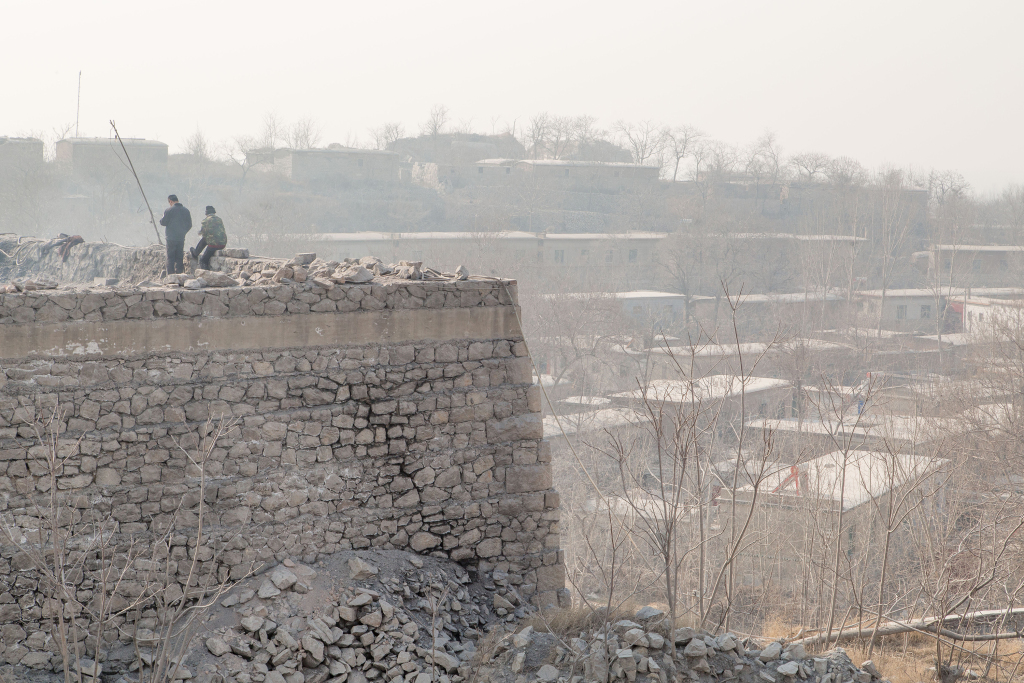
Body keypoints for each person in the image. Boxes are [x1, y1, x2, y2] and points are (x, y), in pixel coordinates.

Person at [159, 195, 192, 275]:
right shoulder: (186, 211)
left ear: (170, 201)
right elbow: (189, 225)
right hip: (181, 238)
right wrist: (183, 232)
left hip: (170, 237)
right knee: (179, 256)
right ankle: (180, 274)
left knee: (170, 257)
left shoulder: (168, 210)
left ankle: (171, 275)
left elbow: (163, 222)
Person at [191, 206, 227, 270]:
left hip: (213, 245)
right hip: (223, 244)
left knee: (203, 260)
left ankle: (196, 253)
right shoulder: (219, 219)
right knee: (206, 238)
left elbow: (203, 233)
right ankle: (196, 252)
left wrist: (200, 232)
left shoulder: (206, 221)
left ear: (206, 214)